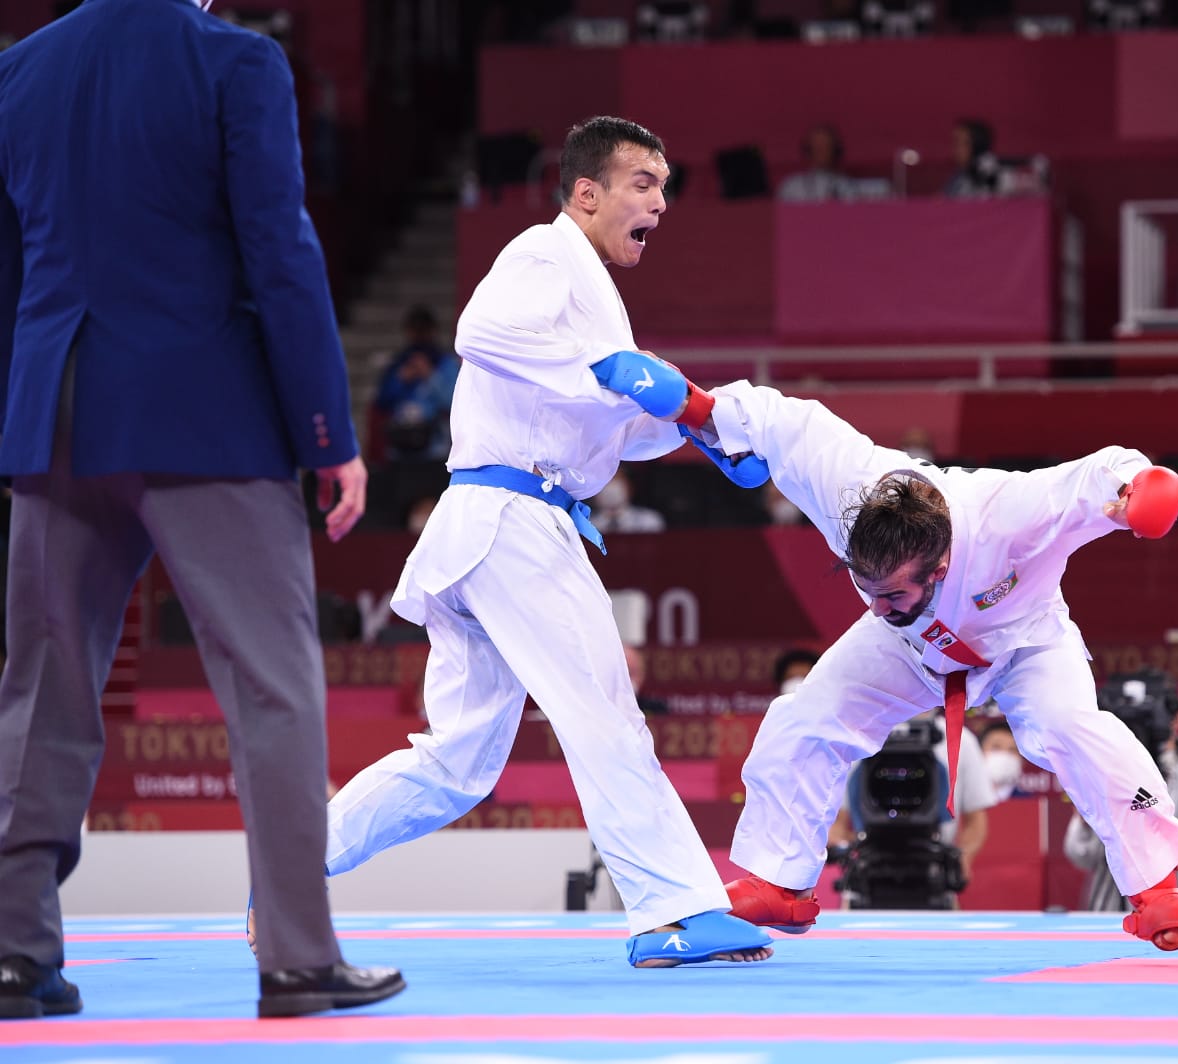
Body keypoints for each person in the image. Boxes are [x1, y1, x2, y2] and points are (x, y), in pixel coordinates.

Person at [269, 116, 774, 969]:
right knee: (604, 709)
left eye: (665, 186)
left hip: (492, 524)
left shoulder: (590, 298)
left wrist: (696, 428)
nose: (661, 201)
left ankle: (287, 867)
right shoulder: (545, 255)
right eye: (643, 183)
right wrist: (614, 372)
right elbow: (480, 337)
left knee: (460, 762)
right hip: (513, 519)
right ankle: (673, 910)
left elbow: (604, 420)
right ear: (587, 193)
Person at [0, 0, 402, 1020]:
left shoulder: (23, 68)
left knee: (38, 688)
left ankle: (12, 953)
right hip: (203, 412)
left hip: (54, 411)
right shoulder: (237, 61)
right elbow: (279, 246)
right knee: (272, 683)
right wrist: (328, 431)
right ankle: (299, 957)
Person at [695, 382, 1178, 951]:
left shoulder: (1009, 515)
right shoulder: (853, 487)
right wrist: (698, 406)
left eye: (891, 592)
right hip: (910, 647)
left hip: (1026, 645)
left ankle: (1157, 891)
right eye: (866, 588)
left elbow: (1100, 473)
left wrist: (1138, 489)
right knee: (804, 717)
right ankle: (780, 885)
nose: (874, 604)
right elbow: (785, 421)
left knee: (1073, 728)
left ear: (940, 565)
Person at [1065, 682, 1178, 914]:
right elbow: (1080, 855)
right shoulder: (1103, 770)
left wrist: (1148, 821)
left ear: (1177, 718)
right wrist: (1088, 823)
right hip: (1109, 914)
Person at [828, 710, 996, 886]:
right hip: (866, 873)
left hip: (935, 875)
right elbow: (837, 822)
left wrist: (961, 860)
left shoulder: (961, 739)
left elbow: (976, 821)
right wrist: (847, 853)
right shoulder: (857, 736)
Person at [373, 305, 460, 463]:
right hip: (399, 448)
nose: (419, 336)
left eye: (423, 331)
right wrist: (400, 379)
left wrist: (430, 376)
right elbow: (381, 402)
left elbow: (453, 403)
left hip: (434, 449)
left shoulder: (446, 364)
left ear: (433, 331)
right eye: (415, 331)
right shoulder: (398, 363)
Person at [776, 124, 856, 203]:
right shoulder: (792, 186)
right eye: (817, 147)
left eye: (826, 146)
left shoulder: (847, 186)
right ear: (808, 150)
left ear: (835, 150)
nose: (821, 151)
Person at [590, 468, 666, 534]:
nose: (610, 489)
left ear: (630, 488)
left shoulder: (649, 521)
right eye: (604, 483)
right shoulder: (586, 526)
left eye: (617, 479)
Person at [945, 118, 1001, 198]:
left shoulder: (989, 172)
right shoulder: (958, 176)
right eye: (954, 142)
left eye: (959, 142)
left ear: (977, 145)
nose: (955, 148)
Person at [979, 719, 1026, 800]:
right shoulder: (960, 799)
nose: (1005, 754)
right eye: (996, 747)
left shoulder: (1029, 804)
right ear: (978, 751)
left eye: (1013, 750)